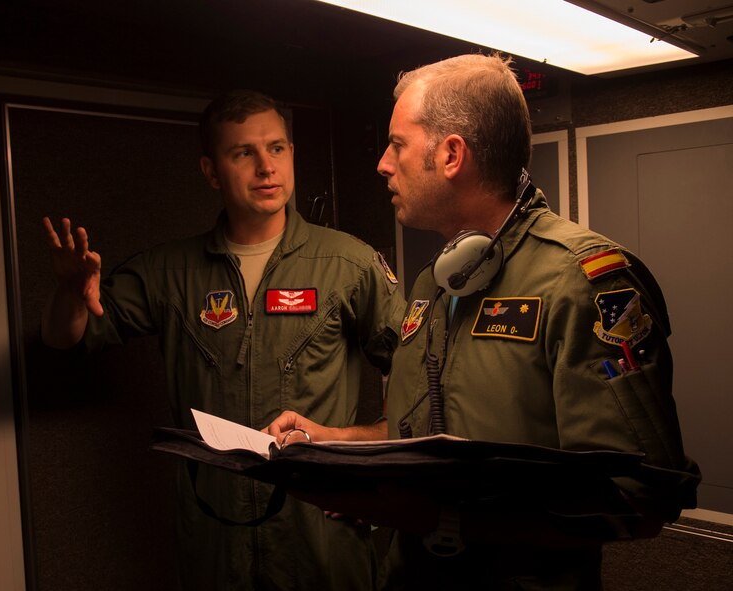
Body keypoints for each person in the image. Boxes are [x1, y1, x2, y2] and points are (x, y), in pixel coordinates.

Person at [265, 54, 700, 589]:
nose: (382, 163)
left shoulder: (583, 282)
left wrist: (441, 518)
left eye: (397, 144)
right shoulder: (434, 283)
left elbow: (637, 494)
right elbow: (430, 431)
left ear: (451, 155)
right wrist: (335, 444)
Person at [41, 90, 406, 590]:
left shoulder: (348, 264)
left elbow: (422, 393)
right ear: (211, 172)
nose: (265, 167)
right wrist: (69, 294)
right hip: (216, 537)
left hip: (321, 535)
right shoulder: (171, 272)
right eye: (243, 153)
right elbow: (68, 339)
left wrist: (369, 470)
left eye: (277, 148)